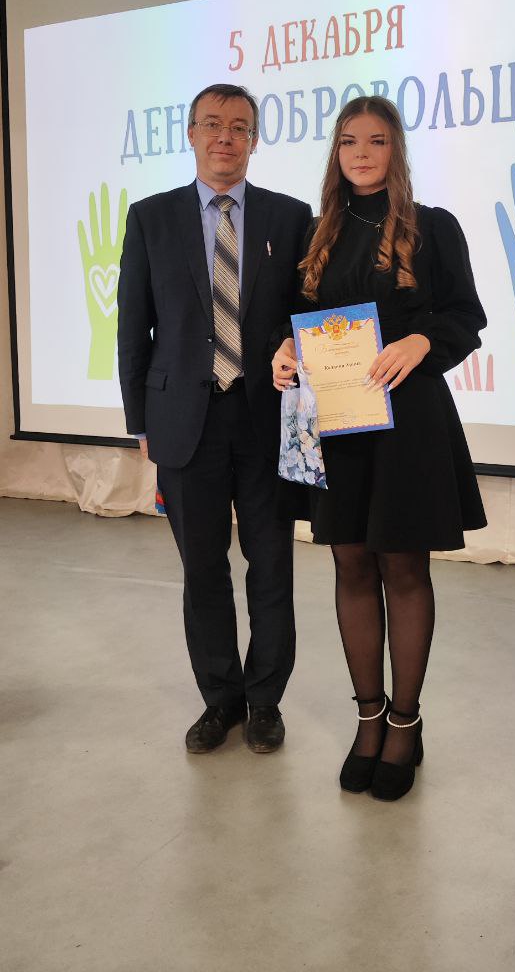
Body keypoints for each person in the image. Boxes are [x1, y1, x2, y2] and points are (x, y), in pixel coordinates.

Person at [272, 96, 487, 800]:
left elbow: (465, 315)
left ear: (396, 150)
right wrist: (284, 350)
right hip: (338, 423)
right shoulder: (317, 234)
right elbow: (296, 320)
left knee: (403, 567)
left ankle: (405, 722)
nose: (361, 154)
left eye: (376, 141)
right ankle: (368, 718)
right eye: (348, 142)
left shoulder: (433, 226)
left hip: (409, 422)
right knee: (351, 564)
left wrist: (423, 340)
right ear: (335, 153)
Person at [118, 83, 312, 756]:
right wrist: (140, 422)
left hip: (266, 420)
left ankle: (265, 702)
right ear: (191, 134)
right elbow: (133, 327)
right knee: (202, 570)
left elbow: (303, 315)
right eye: (212, 125)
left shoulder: (291, 217)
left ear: (254, 139)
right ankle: (220, 699)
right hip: (182, 423)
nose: (225, 137)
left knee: (272, 568)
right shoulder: (151, 217)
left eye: (239, 127)